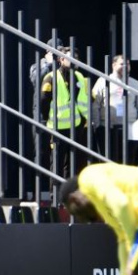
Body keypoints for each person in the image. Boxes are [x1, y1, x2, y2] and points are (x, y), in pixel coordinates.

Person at [41, 46, 90, 178]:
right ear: (61, 59)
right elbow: (44, 102)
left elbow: (83, 101)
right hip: (57, 128)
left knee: (73, 163)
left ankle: (68, 195)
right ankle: (55, 195)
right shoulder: (50, 77)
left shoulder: (79, 76)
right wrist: (48, 119)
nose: (75, 61)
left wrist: (85, 120)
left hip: (75, 126)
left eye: (77, 58)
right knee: (57, 163)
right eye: (71, 58)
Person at [91, 54, 138, 164]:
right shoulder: (103, 81)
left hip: (131, 127)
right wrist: (96, 125)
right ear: (113, 65)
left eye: (128, 64)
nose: (125, 66)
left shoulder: (135, 83)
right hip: (107, 127)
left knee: (129, 161)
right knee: (108, 161)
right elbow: (95, 104)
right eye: (122, 64)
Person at [29, 37, 63, 174]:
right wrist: (49, 65)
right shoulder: (38, 65)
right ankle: (37, 188)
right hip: (42, 114)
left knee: (58, 154)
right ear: (47, 51)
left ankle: (54, 190)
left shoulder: (64, 65)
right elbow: (35, 80)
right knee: (40, 151)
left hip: (60, 115)